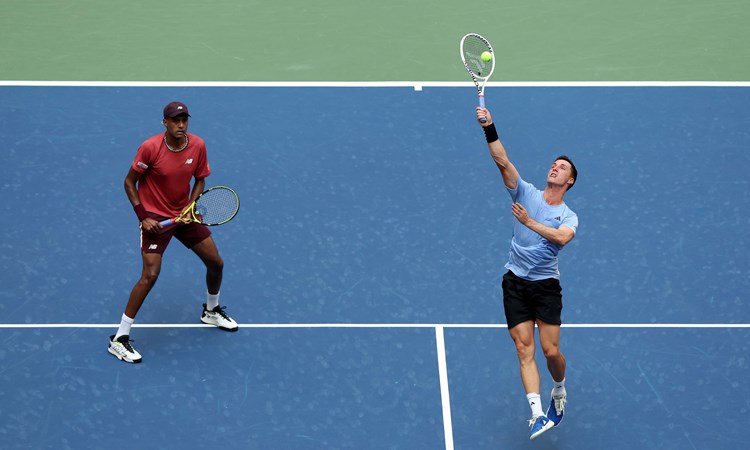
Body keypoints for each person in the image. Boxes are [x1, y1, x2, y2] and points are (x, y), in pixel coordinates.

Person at [108, 101, 238, 364]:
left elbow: (200, 178)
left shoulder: (198, 145)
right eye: (175, 120)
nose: (181, 125)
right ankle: (119, 339)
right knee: (150, 276)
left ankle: (211, 310)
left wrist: (192, 205)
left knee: (216, 263)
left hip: (185, 215)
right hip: (155, 218)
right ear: (164, 123)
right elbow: (129, 182)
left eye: (184, 120)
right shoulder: (150, 148)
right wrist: (143, 216)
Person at [476, 107, 578, 440]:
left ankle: (559, 389)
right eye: (554, 163)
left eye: (562, 167)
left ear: (570, 181)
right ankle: (536, 413)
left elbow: (561, 238)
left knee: (551, 353)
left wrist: (530, 223)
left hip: (546, 287)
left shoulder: (568, 216)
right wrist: (490, 128)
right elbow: (503, 162)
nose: (555, 167)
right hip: (515, 282)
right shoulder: (527, 193)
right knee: (524, 349)